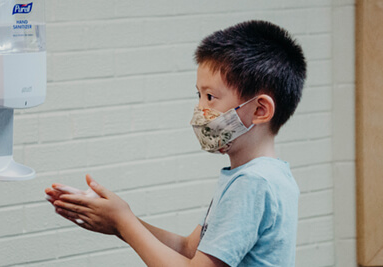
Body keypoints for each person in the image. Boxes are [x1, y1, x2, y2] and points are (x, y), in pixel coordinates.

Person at [45, 20, 306, 267]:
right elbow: (188, 248)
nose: (200, 109)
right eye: (199, 95)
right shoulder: (261, 176)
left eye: (211, 97)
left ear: (260, 110)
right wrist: (118, 221)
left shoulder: (253, 184)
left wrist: (123, 220)